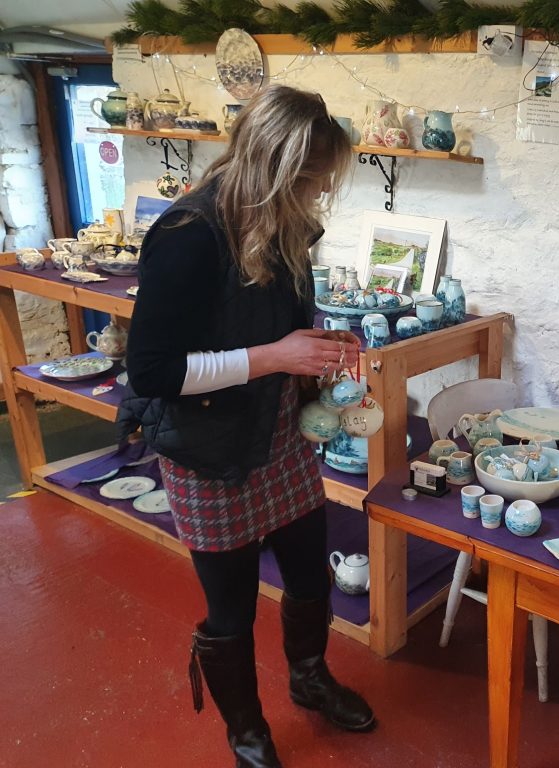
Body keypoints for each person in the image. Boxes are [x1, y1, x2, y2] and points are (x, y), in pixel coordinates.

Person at [118, 85, 374, 768]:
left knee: (310, 577)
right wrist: (275, 357)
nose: (321, 195)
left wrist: (317, 347)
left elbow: (280, 322)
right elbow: (152, 372)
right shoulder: (186, 236)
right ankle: (248, 732)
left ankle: (310, 678)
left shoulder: (283, 222)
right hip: (207, 449)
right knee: (230, 609)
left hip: (278, 432)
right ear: (280, 170)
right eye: (316, 181)